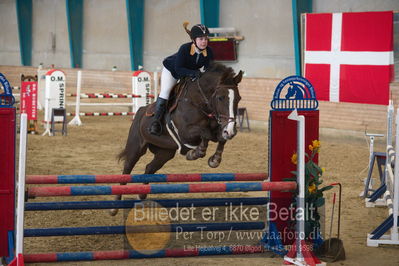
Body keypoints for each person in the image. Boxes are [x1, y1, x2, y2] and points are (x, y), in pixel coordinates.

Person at [149, 22, 214, 136]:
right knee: (166, 92)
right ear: (194, 40)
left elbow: (209, 69)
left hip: (190, 74)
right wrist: (195, 73)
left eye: (205, 39)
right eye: (200, 39)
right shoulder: (184, 48)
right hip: (172, 71)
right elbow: (179, 69)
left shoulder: (209, 52)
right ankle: (155, 122)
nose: (204, 41)